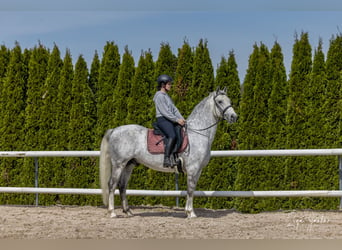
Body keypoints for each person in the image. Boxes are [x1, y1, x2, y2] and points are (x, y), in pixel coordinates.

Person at [153, 74, 186, 168]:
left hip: (169, 119)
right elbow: (165, 112)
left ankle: (174, 155)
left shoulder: (167, 96)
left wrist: (182, 119)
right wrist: (176, 120)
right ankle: (166, 159)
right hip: (163, 119)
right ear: (163, 85)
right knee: (172, 135)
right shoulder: (159, 96)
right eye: (169, 84)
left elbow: (174, 109)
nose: (170, 85)